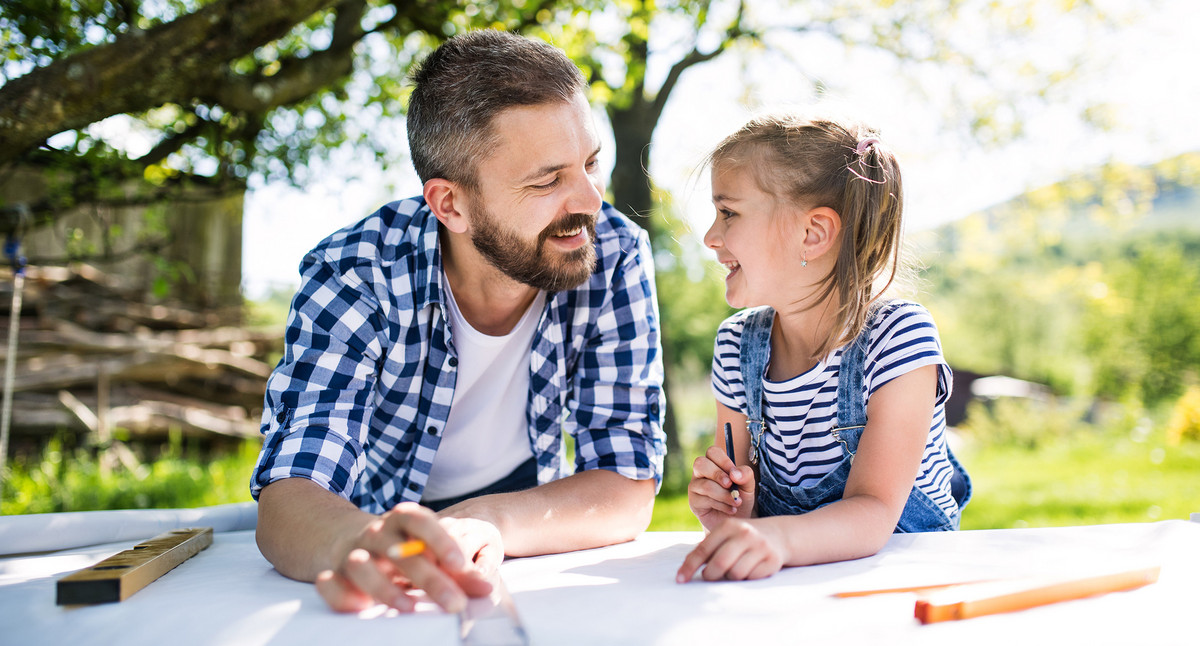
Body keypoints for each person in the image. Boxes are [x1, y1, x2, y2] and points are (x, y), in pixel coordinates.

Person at [250, 30, 666, 613]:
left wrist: (486, 521)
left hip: (528, 517)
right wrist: (358, 542)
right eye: (548, 180)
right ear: (450, 205)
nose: (592, 200)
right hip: (375, 514)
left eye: (591, 163)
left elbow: (627, 484)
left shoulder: (613, 252)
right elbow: (292, 490)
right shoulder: (356, 272)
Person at [676, 112, 970, 584]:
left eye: (728, 212)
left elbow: (874, 511)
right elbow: (746, 508)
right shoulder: (736, 347)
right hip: (795, 586)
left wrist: (779, 538)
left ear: (812, 234)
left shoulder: (897, 338)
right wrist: (734, 510)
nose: (710, 237)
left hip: (899, 582)